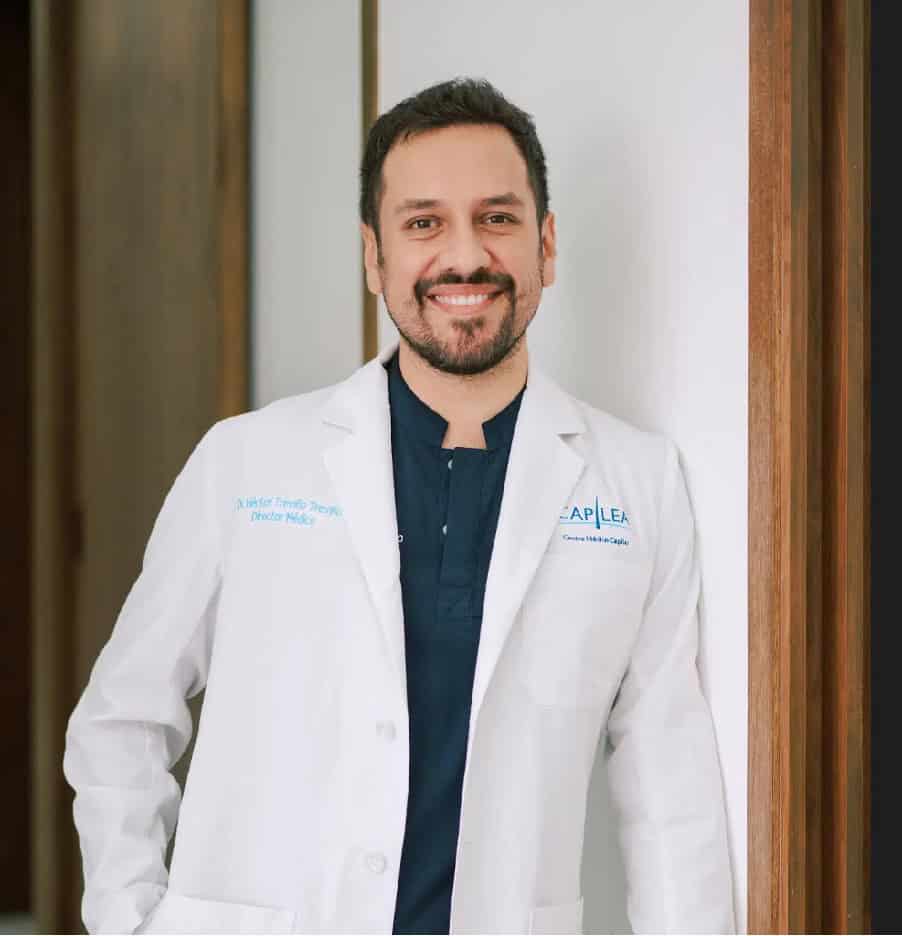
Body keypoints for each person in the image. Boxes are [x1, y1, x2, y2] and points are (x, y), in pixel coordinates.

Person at [64, 77, 735, 935]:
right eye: (423, 224)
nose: (465, 257)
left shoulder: (638, 484)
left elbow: (668, 781)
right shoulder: (246, 461)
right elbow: (122, 720)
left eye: (497, 218)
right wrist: (131, 920)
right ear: (374, 257)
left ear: (546, 245)